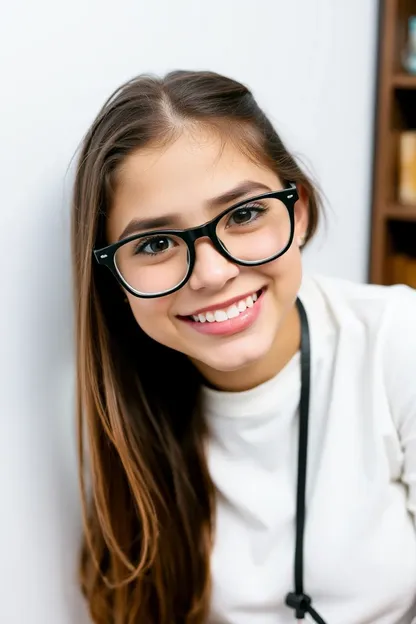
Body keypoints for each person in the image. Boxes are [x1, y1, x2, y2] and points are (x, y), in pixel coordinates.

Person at [71, 70, 416, 624]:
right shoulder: (126, 411)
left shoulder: (398, 339)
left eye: (244, 214)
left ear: (297, 211)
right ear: (116, 277)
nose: (212, 272)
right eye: (156, 243)